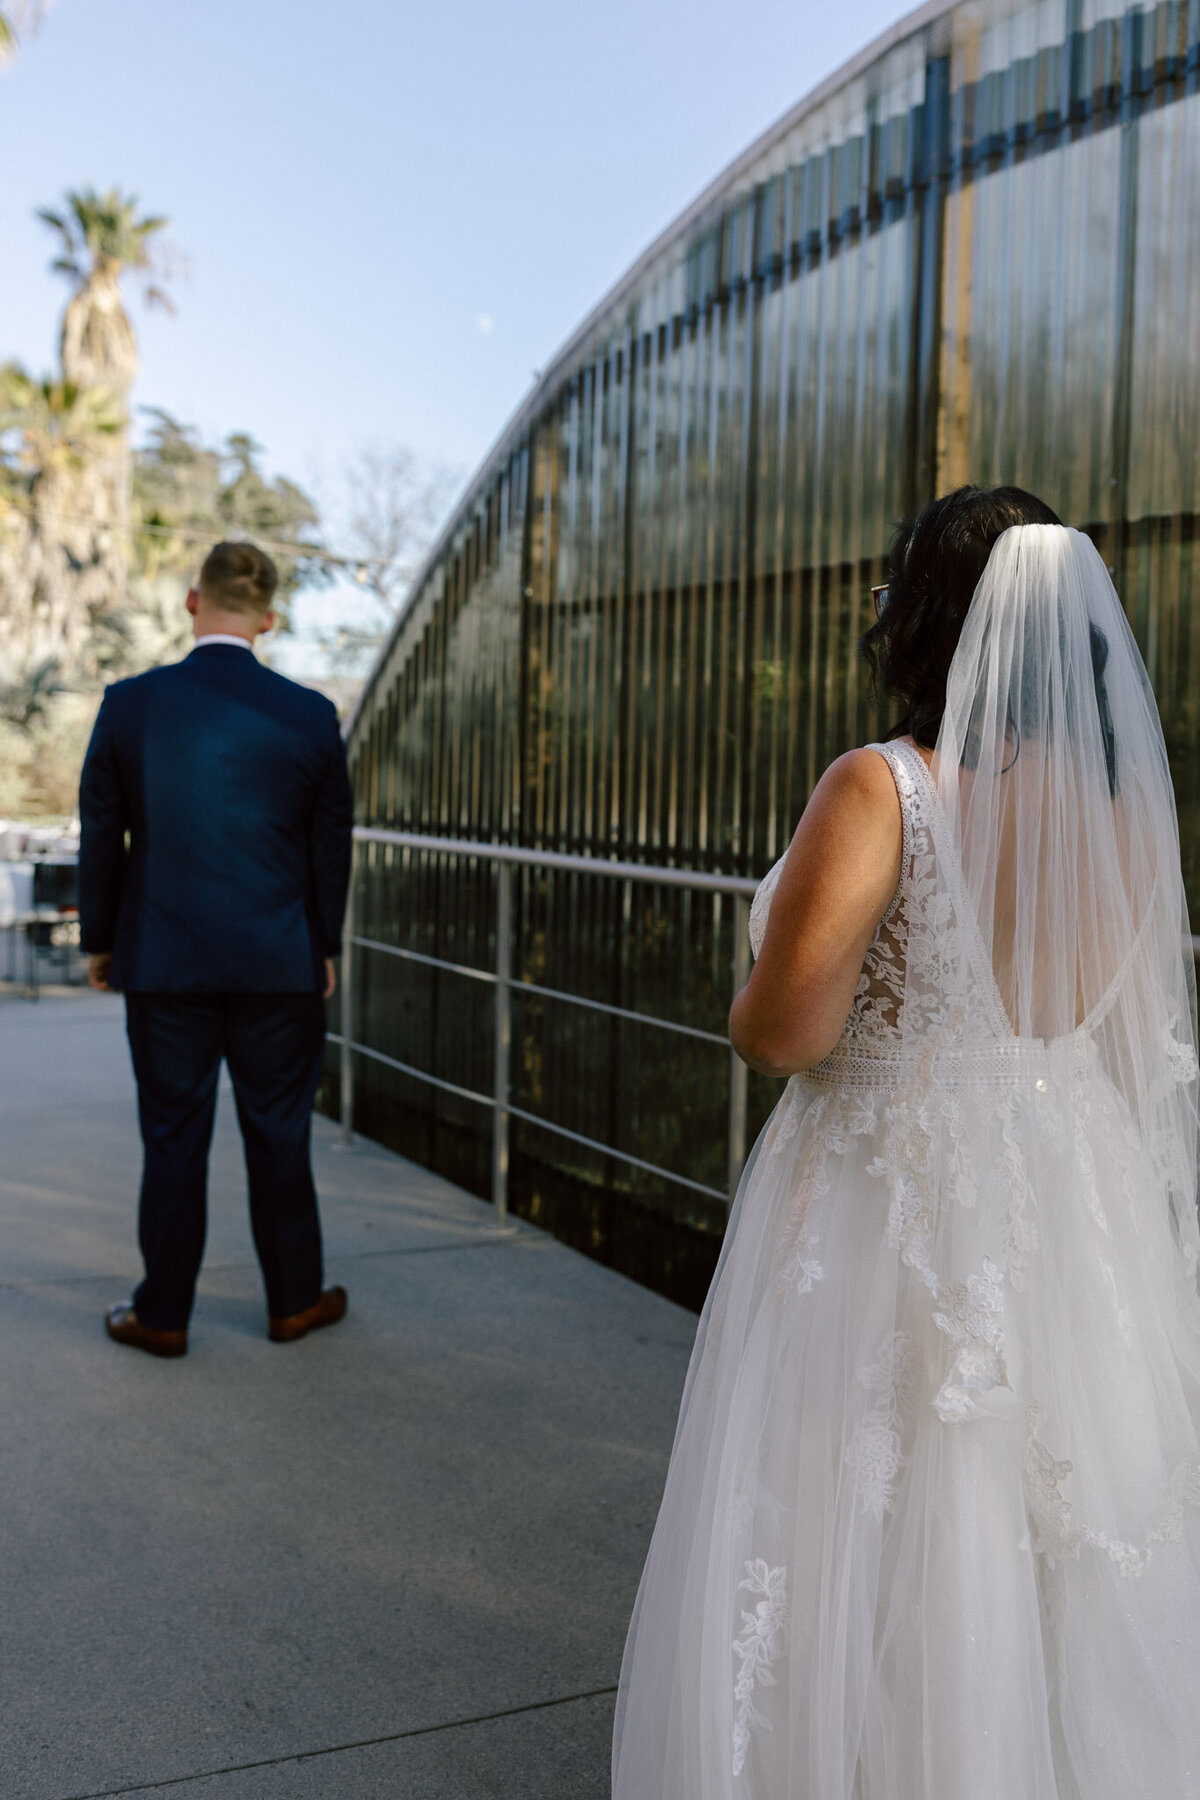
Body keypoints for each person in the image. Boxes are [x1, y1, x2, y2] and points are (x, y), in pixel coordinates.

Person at [612, 488, 1200, 1799]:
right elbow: (1109, 1035)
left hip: (890, 1199)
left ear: (924, 614)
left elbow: (784, 1036)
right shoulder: (1125, 817)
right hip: (1071, 1191)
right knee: (1039, 1530)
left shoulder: (884, 788)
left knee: (864, 1521)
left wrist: (760, 971)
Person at [78, 540, 354, 1359]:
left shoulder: (130, 704)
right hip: (280, 962)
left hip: (163, 960)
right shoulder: (310, 714)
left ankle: (161, 1316)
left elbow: (103, 834)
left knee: (172, 1137)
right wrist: (323, 945)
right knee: (279, 1132)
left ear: (193, 602)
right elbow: (329, 844)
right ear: (268, 620)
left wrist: (101, 942)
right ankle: (294, 1303)